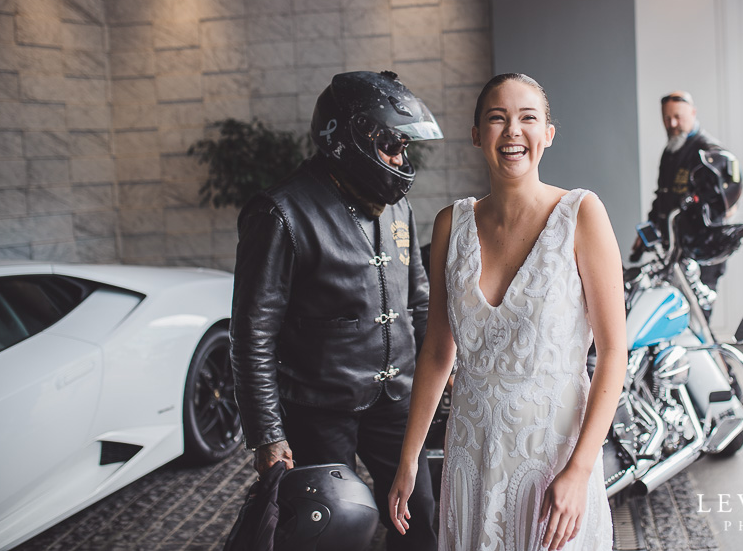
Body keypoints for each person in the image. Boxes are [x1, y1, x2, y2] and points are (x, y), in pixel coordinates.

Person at [387, 73, 627, 551]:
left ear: (548, 135)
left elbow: (614, 351)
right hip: (471, 458)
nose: (513, 131)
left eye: (528, 118)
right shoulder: (450, 225)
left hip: (553, 460)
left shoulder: (581, 214)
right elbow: (437, 351)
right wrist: (409, 458)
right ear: (478, 136)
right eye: (497, 119)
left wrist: (579, 470)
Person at [228, 70, 442, 551]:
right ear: (350, 140)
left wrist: (440, 371)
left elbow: (419, 299)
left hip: (398, 399)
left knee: (423, 517)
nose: (401, 159)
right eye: (392, 146)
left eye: (404, 147)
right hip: (318, 406)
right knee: (333, 531)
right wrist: (267, 434)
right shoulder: (279, 212)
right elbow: (252, 333)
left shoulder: (397, 205)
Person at [638, 90, 729, 296]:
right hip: (674, 250)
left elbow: (721, 203)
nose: (671, 124)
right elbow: (662, 195)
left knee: (699, 318)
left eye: (677, 117)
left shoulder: (710, 153)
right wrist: (651, 226)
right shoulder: (671, 150)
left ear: (693, 113)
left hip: (700, 253)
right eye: (667, 118)